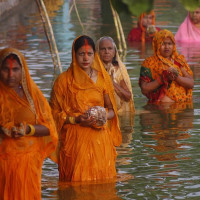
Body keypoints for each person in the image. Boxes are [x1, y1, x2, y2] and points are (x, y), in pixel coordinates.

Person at [50, 35, 122, 182]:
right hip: (74, 142)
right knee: (76, 185)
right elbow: (52, 115)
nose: (85, 58)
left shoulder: (103, 79)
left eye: (89, 54)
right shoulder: (63, 81)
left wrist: (103, 114)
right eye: (81, 54)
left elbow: (112, 110)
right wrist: (75, 119)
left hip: (100, 141)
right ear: (74, 55)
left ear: (94, 55)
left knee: (103, 185)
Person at [0, 48, 58, 199]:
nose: (11, 75)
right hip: (4, 164)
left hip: (30, 164)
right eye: (6, 69)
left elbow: (49, 127)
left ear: (23, 70)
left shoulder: (32, 94)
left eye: (15, 69)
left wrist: (27, 129)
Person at [139, 29, 194, 103]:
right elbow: (144, 88)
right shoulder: (149, 63)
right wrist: (163, 78)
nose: (167, 47)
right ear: (157, 44)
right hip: (160, 105)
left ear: (173, 45)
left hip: (182, 103)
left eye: (169, 43)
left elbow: (191, 83)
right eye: (163, 43)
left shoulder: (179, 61)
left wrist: (176, 77)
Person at [96, 36, 135, 114]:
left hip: (119, 113)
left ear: (114, 52)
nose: (106, 51)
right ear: (98, 52)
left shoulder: (119, 70)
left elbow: (128, 97)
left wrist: (112, 83)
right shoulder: (93, 70)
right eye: (103, 49)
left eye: (110, 48)